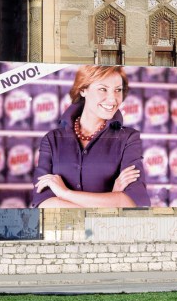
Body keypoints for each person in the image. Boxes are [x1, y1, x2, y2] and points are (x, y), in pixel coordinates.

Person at [32, 65, 150, 208]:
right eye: (103, 89)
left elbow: (133, 204)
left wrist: (65, 193)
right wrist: (110, 201)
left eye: (118, 90)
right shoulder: (52, 140)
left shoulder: (129, 138)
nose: (113, 100)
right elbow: (43, 204)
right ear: (83, 89)